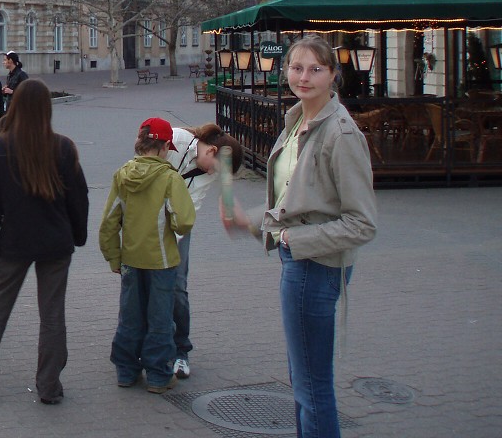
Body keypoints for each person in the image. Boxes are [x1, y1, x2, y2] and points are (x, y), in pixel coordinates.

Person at [226, 36, 376, 438]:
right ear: (284, 70)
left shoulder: (340, 134)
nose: (304, 77)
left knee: (311, 387)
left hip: (316, 268)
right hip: (300, 263)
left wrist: (295, 240)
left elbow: (362, 222)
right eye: (296, 67)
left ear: (333, 75)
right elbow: (301, 199)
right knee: (304, 379)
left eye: (316, 69)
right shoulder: (298, 122)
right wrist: (253, 221)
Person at [0, 79, 89, 404]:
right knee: (53, 316)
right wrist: (77, 235)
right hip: (55, 242)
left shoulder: (0, 147)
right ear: (47, 109)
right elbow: (79, 199)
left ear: (16, 106)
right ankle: (49, 387)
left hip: (13, 243)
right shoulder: (63, 147)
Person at [99, 117, 195, 394]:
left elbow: (108, 222)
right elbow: (183, 221)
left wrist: (113, 257)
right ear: (165, 146)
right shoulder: (169, 178)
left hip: (130, 259)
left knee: (130, 316)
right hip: (162, 261)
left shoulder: (122, 175)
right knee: (160, 318)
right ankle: (158, 375)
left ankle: (126, 370)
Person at [165, 123, 244, 379]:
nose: (213, 174)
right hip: (146, 223)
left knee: (177, 286)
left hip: (178, 227)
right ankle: (145, 345)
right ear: (210, 151)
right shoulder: (175, 139)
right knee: (141, 283)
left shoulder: (208, 173)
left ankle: (181, 351)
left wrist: (170, 244)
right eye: (215, 168)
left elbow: (191, 206)